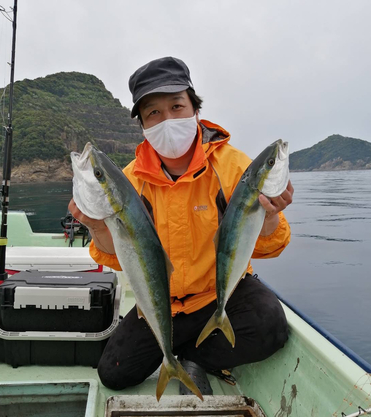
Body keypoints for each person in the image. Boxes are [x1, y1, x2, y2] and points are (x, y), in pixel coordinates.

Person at [68, 56, 294, 395]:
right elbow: (120, 259)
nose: (167, 119)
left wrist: (271, 214)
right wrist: (97, 227)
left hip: (221, 292)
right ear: (142, 124)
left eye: (176, 106)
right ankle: (184, 354)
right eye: (153, 113)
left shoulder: (233, 166)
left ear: (195, 108)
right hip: (162, 301)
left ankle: (192, 358)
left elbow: (269, 246)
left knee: (272, 328)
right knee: (114, 372)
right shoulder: (128, 182)